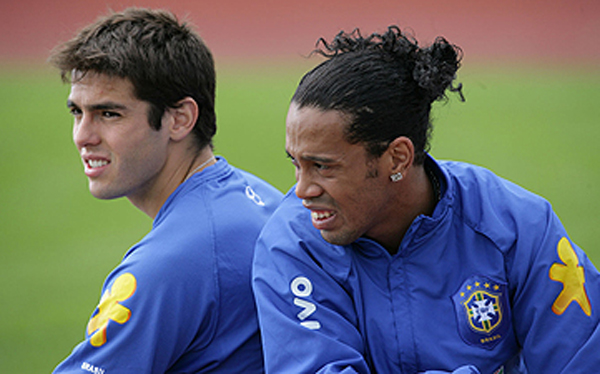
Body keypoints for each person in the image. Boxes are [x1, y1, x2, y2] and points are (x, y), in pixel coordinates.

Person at [251, 26, 600, 374]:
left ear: (397, 158)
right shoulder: (293, 244)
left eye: (322, 166)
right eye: (296, 163)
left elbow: (582, 361)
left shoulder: (519, 227)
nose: (302, 190)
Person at [49, 8, 282, 373]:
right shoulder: (261, 196)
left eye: (109, 114)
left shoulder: (167, 265)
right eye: (77, 112)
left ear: (180, 119)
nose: (83, 136)